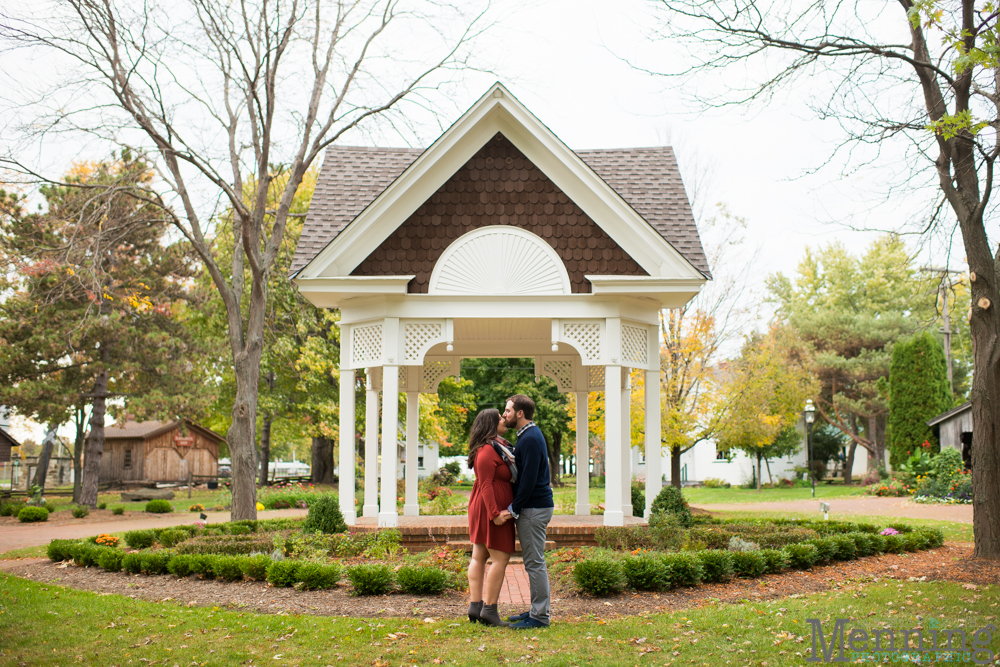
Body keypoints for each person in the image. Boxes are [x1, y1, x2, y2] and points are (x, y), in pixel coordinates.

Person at [498, 394, 554, 629]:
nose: (504, 415)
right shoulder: (528, 435)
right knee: (533, 561)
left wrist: (513, 509)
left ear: (520, 413)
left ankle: (539, 617)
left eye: (508, 411)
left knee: (534, 563)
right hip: (535, 506)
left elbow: (528, 480)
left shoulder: (529, 438)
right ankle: (535, 610)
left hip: (534, 507)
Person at [465, 408, 516, 627]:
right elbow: (486, 484)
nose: (504, 419)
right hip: (490, 508)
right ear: (490, 424)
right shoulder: (487, 450)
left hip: (485, 506)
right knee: (500, 559)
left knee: (479, 555)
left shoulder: (495, 446)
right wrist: (494, 513)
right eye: (500, 418)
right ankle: (489, 610)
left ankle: (475, 607)